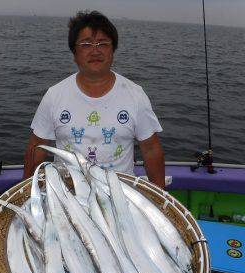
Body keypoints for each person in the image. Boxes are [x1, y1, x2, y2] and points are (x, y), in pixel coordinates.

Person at [23, 10, 165, 188]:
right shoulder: (54, 95)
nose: (95, 50)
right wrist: (27, 193)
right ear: (74, 54)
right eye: (86, 44)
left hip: (120, 197)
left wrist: (161, 199)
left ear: (113, 50)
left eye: (103, 43)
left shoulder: (135, 95)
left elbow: (151, 149)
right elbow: (36, 147)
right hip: (68, 197)